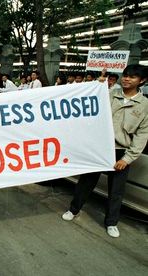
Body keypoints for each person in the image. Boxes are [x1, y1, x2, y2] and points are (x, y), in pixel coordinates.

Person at [62, 64, 148, 238]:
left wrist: (128, 158)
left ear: (142, 81)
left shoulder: (144, 104)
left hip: (120, 152)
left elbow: (142, 133)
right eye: (125, 75)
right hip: (100, 147)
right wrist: (94, 86)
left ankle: (111, 222)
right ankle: (73, 210)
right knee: (86, 182)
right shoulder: (109, 94)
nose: (126, 79)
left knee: (116, 190)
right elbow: (88, 105)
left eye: (132, 77)